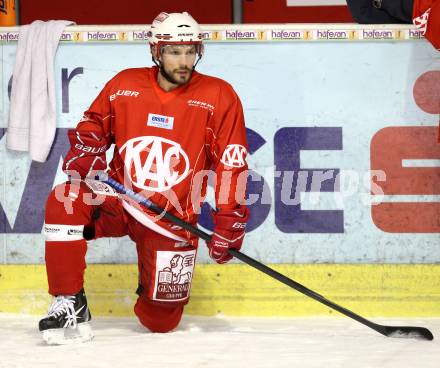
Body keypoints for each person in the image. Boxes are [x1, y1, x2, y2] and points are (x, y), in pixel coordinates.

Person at [38, 11, 250, 344]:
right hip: (119, 200)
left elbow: (231, 163)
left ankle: (151, 282)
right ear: (155, 51)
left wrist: (229, 220)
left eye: (190, 51)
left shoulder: (218, 96)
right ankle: (68, 301)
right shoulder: (125, 85)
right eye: (173, 51)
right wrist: (89, 149)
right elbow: (93, 124)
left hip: (172, 219)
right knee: (65, 199)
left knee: (160, 321)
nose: (183, 60)